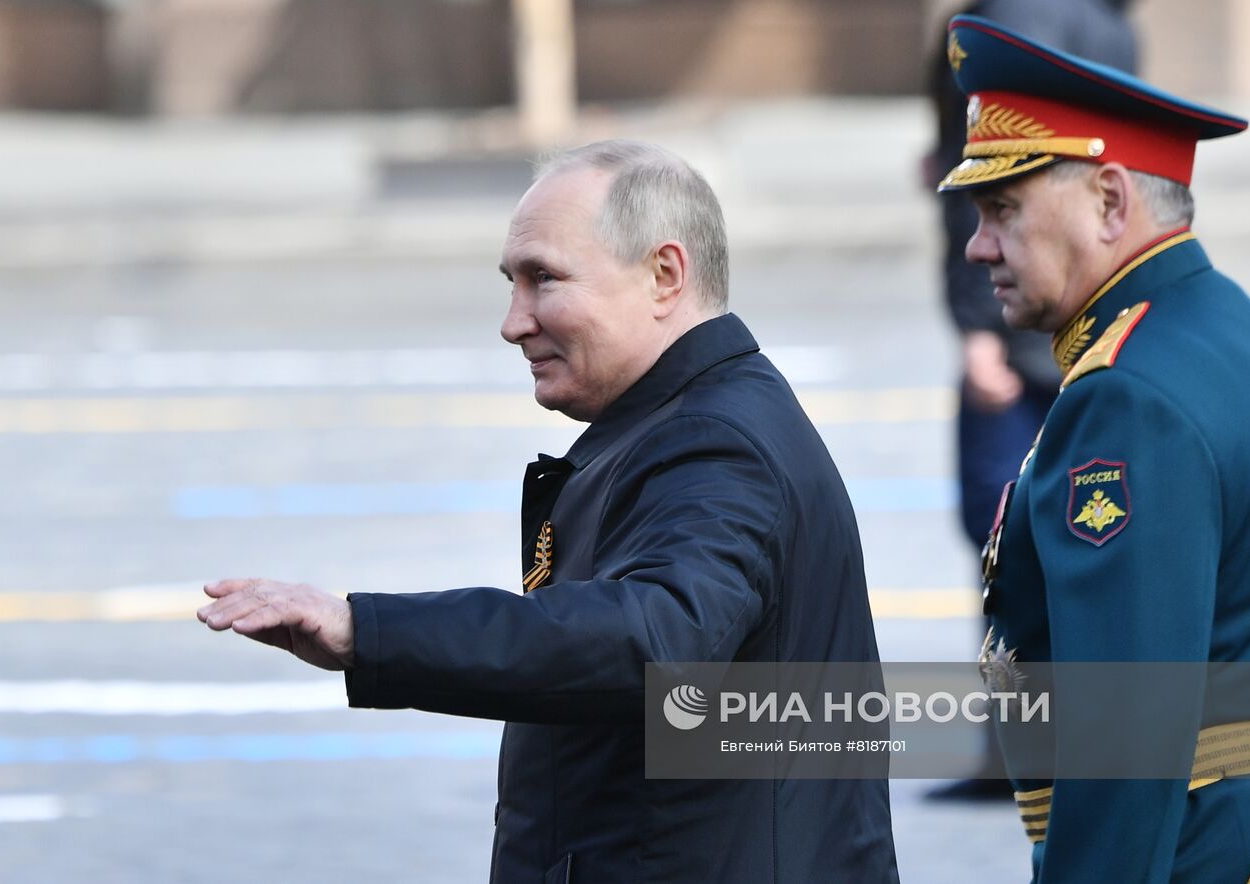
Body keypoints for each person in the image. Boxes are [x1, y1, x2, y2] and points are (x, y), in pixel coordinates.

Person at [198, 140, 900, 883]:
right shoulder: (690, 418)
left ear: (664, 276)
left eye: (544, 281)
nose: (514, 321)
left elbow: (653, 639)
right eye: (512, 283)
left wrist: (366, 630)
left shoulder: (712, 443)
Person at [937, 15, 1250, 882]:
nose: (978, 247)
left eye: (1002, 209)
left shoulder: (1125, 397)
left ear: (1111, 201)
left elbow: (1124, 739)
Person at [924, 0, 1139, 801]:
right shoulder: (1105, 16)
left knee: (1007, 527)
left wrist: (980, 327)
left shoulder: (1005, 23)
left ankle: (1022, 753)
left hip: (1025, 334)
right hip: (1094, 319)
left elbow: (999, 191)